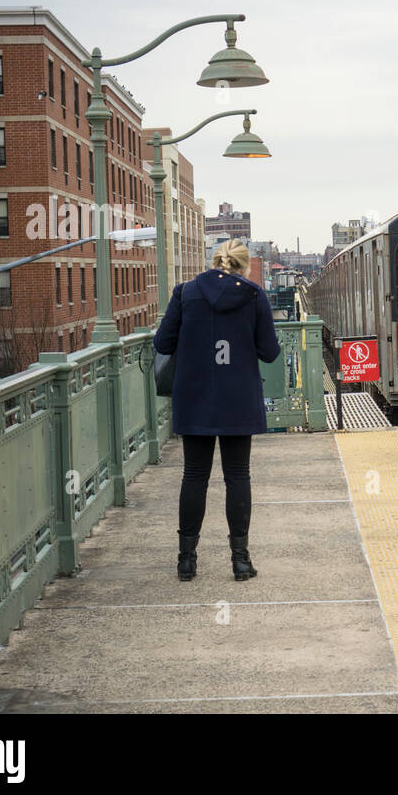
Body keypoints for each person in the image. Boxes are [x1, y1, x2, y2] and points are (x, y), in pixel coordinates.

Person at [154, 240, 281, 581]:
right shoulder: (254, 296)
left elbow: (162, 344)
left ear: (213, 262)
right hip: (237, 398)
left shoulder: (185, 293)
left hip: (195, 398)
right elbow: (270, 352)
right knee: (237, 476)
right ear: (243, 267)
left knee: (194, 476)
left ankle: (186, 561)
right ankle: (240, 561)